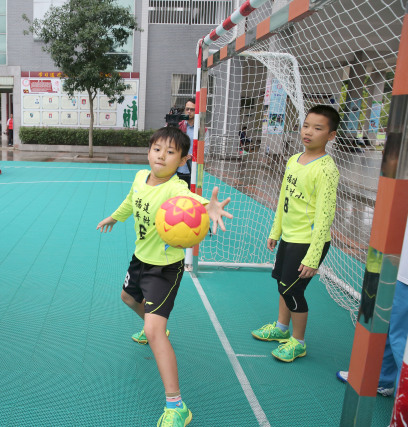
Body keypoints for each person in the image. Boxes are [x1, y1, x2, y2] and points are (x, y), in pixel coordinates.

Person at [97, 126, 233, 427]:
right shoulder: (139, 178)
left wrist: (208, 207)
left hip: (165, 268)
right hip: (140, 259)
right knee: (127, 297)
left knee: (154, 330)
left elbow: (192, 201)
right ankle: (154, 326)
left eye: (171, 152)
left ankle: (177, 405)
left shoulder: (175, 189)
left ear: (182, 160)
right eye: (157, 148)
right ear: (149, 151)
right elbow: (132, 201)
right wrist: (115, 217)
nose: (161, 155)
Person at [251, 105, 341, 362]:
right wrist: (275, 230)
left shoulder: (326, 169)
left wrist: (313, 257)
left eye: (318, 128)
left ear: (331, 135)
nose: (309, 132)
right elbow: (283, 200)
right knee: (282, 284)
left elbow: (325, 215)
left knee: (292, 291)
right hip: (289, 237)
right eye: (306, 126)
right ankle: (281, 328)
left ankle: (298, 341)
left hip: (308, 242)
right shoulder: (293, 160)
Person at [336, 215, 408, 397]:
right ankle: (382, 379)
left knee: (398, 337)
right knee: (388, 327)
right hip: (390, 262)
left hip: (401, 273)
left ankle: (402, 401)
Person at [177, 98, 196, 186]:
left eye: (192, 109)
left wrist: (193, 156)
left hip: (192, 170)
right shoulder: (178, 126)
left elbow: (205, 151)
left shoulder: (202, 130)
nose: (189, 111)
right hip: (176, 169)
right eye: (187, 109)